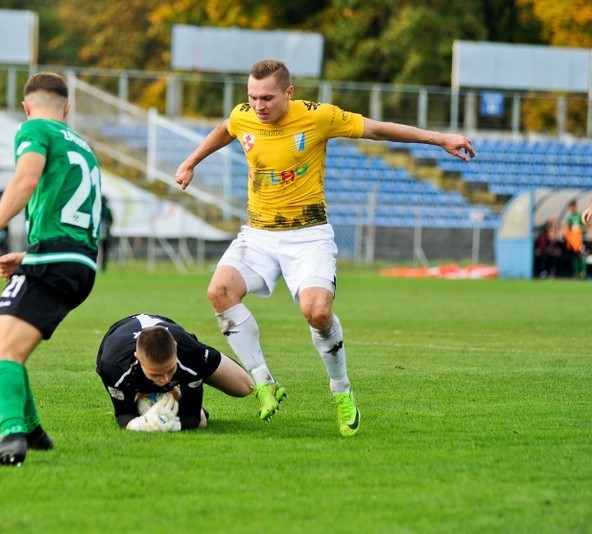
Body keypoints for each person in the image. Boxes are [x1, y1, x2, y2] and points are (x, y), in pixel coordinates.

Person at [175, 59, 475, 437]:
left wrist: (440, 138)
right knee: (219, 291)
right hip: (259, 233)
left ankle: (341, 391)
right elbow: (226, 128)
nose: (258, 106)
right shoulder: (244, 116)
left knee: (317, 313)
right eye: (251, 97)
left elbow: (378, 130)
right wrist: (191, 161)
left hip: (308, 235)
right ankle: (264, 382)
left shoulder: (319, 117)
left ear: (289, 93)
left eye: (266, 97)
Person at [0, 71, 103, 465]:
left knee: (5, 350)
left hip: (56, 261)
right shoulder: (83, 145)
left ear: (26, 107)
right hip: (72, 258)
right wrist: (28, 256)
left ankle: (12, 438)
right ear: (67, 109)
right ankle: (33, 429)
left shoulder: (34, 129)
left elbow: (25, 178)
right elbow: (76, 217)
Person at [96, 313, 254, 431]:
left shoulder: (190, 354)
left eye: (169, 370)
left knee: (244, 387)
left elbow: (193, 418)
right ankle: (169, 385)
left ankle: (183, 378)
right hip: (119, 337)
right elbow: (124, 414)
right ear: (138, 358)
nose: (164, 380)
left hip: (183, 348)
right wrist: (142, 425)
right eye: (155, 374)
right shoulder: (113, 366)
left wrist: (177, 423)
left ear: (176, 348)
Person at [562, 201, 585, 278]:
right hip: (573, 241)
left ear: (575, 206)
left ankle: (582, 272)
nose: (571, 209)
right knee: (574, 257)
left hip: (581, 241)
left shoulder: (580, 215)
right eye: (570, 207)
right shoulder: (569, 218)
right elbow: (567, 228)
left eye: (572, 207)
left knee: (581, 256)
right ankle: (576, 272)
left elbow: (586, 226)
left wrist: (579, 230)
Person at [98, 195, 114, 271]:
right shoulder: (103, 210)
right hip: (103, 233)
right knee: (103, 251)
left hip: (101, 233)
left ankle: (102, 267)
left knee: (101, 250)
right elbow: (111, 221)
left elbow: (111, 221)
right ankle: (102, 267)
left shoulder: (99, 209)